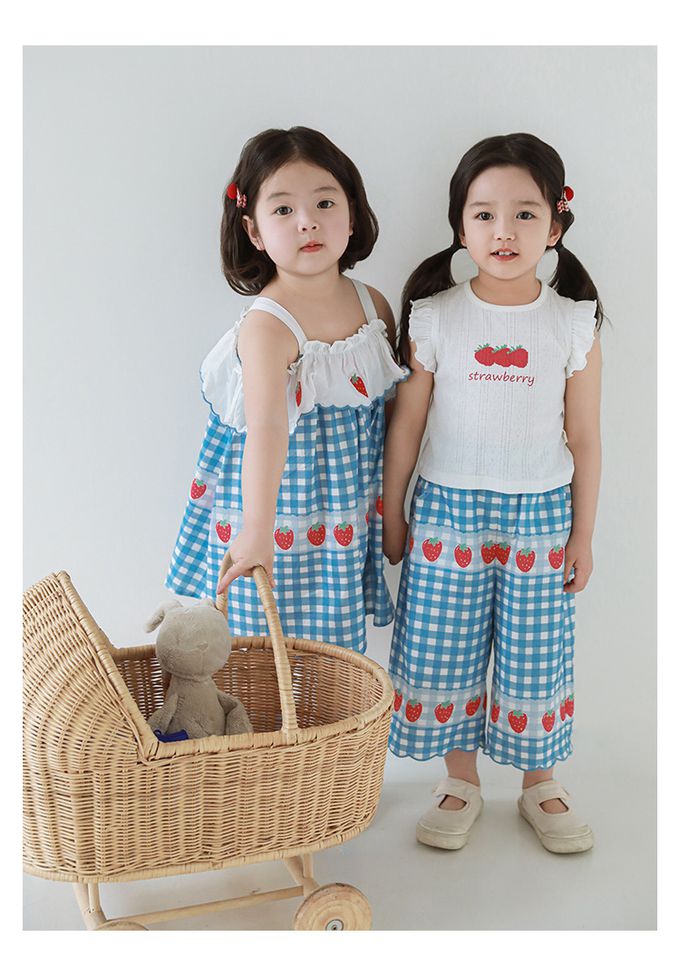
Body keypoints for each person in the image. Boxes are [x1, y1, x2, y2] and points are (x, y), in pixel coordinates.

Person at [383, 133, 603, 854]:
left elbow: (585, 437)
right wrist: (393, 512)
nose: (503, 231)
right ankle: (460, 779)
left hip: (541, 514)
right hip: (447, 511)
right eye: (484, 215)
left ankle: (540, 781)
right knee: (442, 647)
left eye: (524, 214)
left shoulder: (571, 321)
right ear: (460, 225)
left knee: (535, 653)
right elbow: (408, 422)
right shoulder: (435, 316)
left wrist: (583, 534)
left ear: (556, 225)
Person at [166, 126, 405, 654]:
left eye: (325, 203)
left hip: (344, 506)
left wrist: (392, 507)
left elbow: (389, 416)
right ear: (254, 231)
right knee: (267, 640)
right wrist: (257, 528)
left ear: (352, 214)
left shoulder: (374, 307)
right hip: (279, 506)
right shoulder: (268, 327)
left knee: (332, 647)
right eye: (283, 209)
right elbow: (267, 429)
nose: (307, 222)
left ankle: (327, 709)